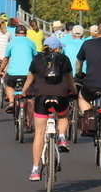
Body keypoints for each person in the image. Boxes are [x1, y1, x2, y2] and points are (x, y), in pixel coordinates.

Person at [22, 36, 77, 181]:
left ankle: (35, 169)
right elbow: (70, 80)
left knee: (39, 133)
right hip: (61, 95)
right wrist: (75, 92)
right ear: (58, 48)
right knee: (63, 116)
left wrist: (23, 92)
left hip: (41, 97)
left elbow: (29, 80)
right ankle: (62, 138)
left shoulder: (36, 59)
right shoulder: (64, 59)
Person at [1, 24, 38, 112]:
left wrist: (1, 70)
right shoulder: (31, 43)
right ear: (26, 34)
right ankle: (28, 124)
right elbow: (36, 58)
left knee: (9, 85)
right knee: (29, 96)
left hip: (13, 73)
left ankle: (11, 102)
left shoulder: (11, 43)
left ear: (15, 34)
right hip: (28, 74)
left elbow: (6, 59)